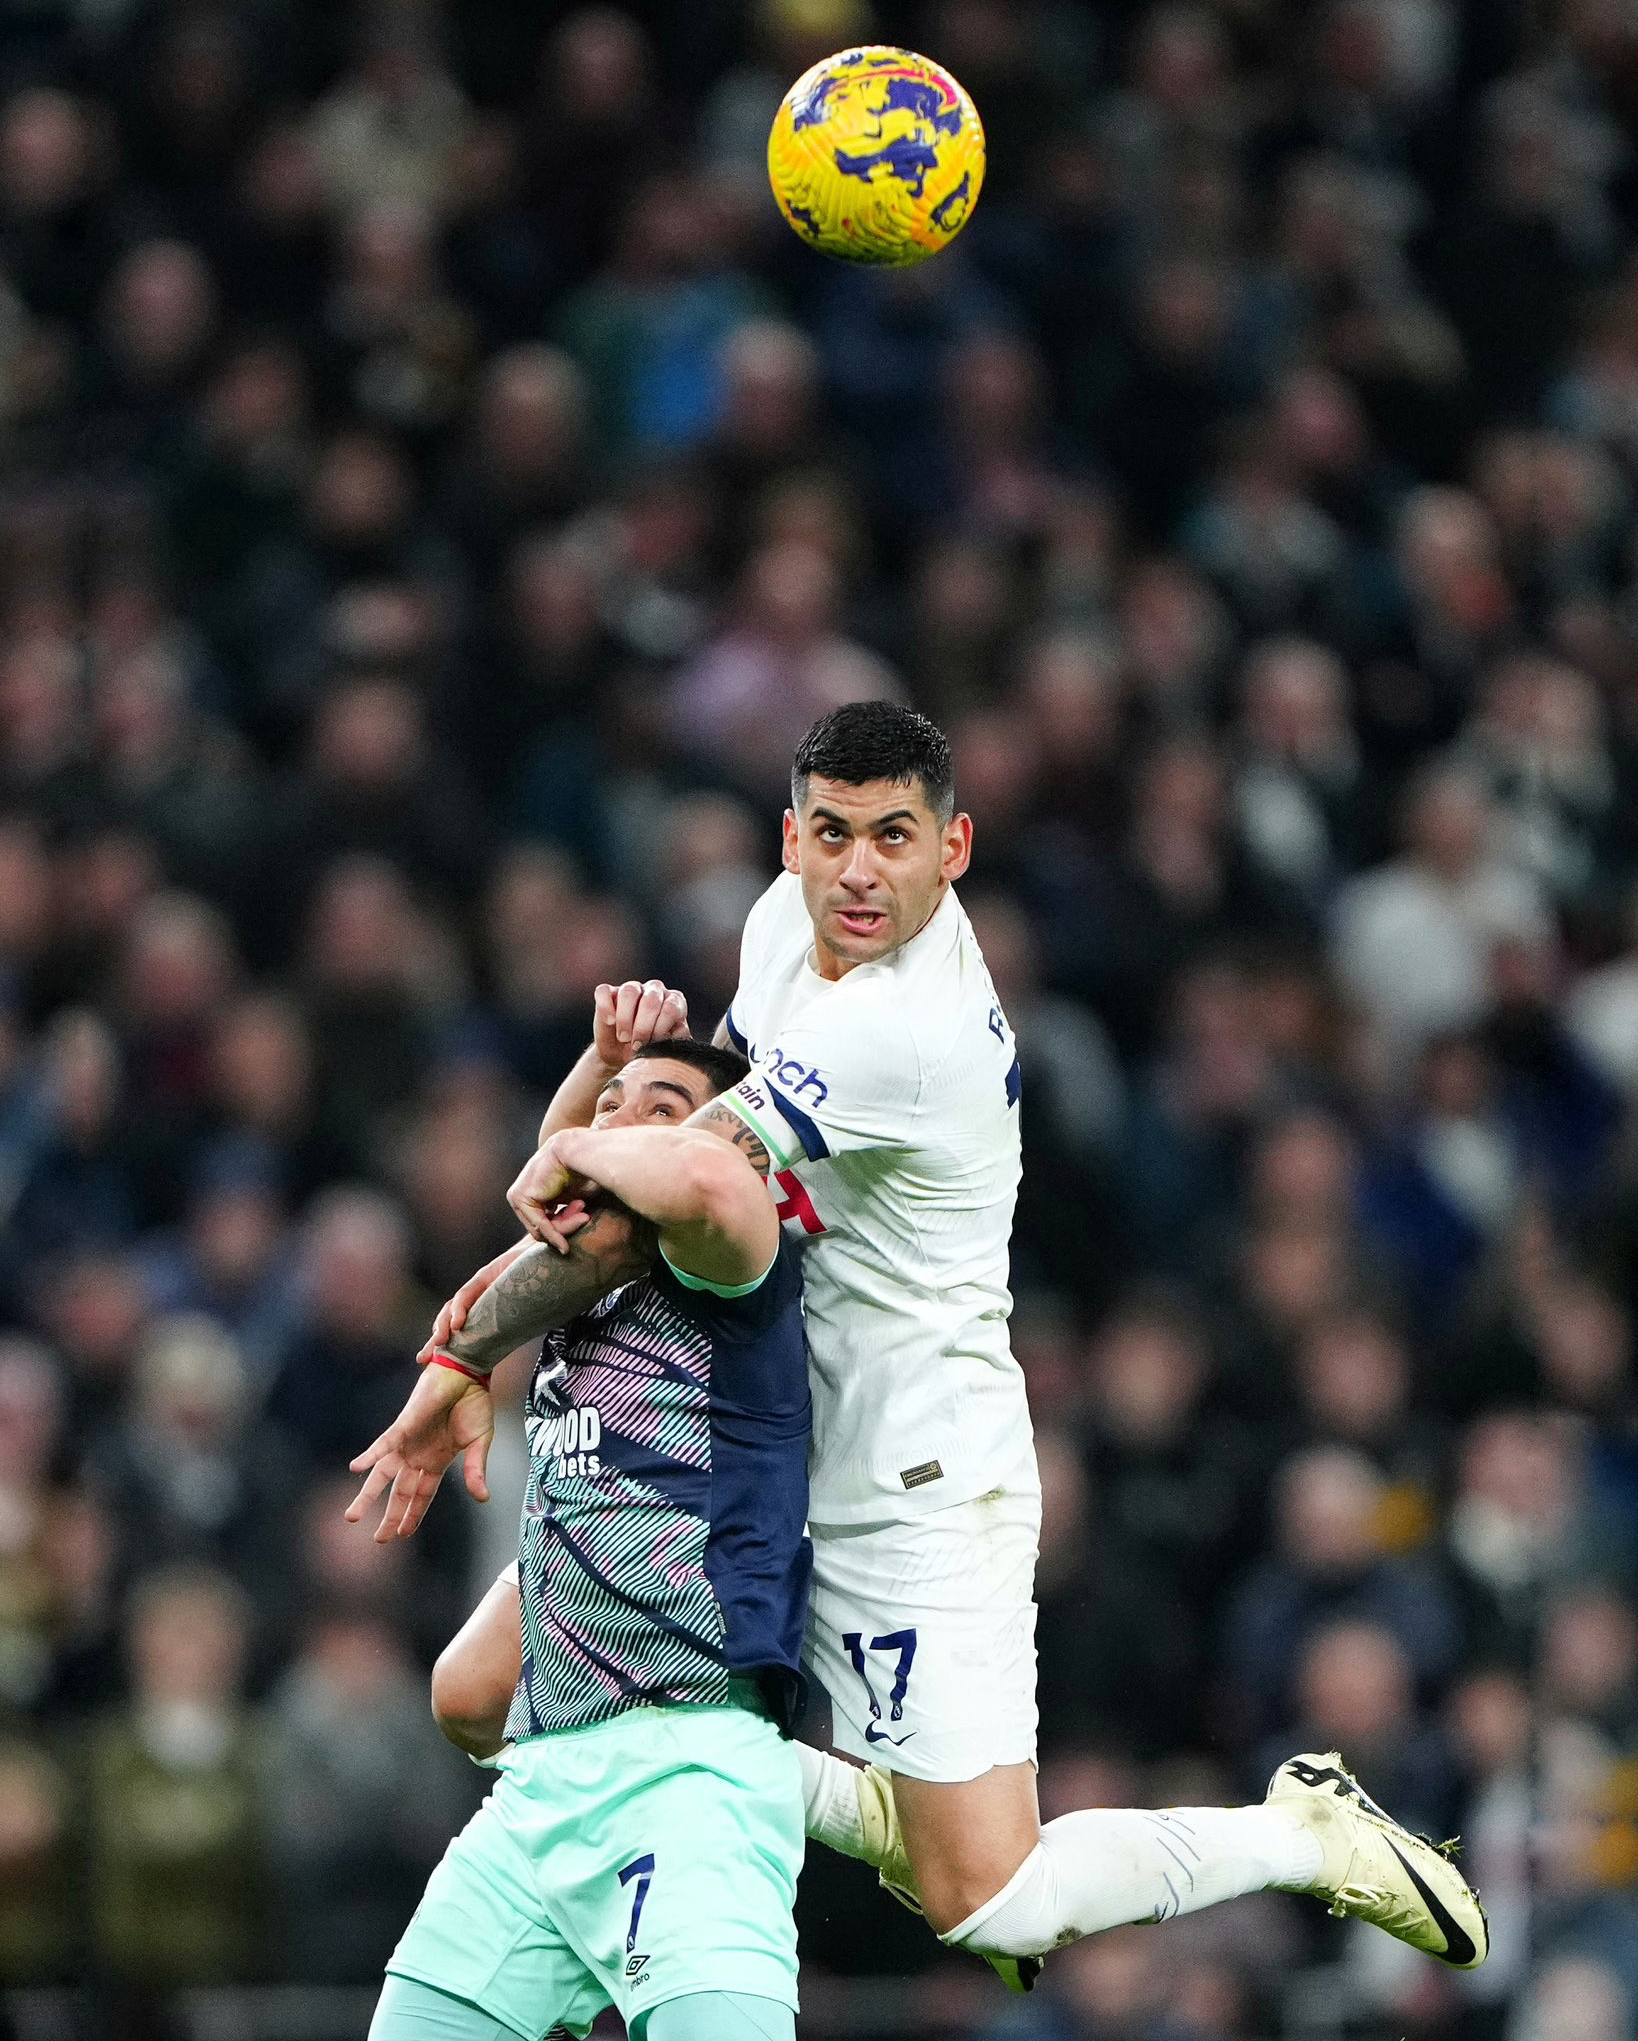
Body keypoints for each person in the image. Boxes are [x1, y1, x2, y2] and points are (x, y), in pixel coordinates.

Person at [406, 703, 1488, 1985]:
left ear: (954, 846)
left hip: (911, 1480)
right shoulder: (776, 931)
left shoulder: (911, 1032)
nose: (861, 870)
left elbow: (676, 1195)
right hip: (758, 1435)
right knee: (478, 1691)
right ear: (791, 840)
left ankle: (1299, 1833)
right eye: (835, 834)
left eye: (896, 837)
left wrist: (476, 1322)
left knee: (991, 1902)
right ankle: (896, 1816)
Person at [348, 1038, 812, 2041]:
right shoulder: (584, 1293)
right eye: (611, 1103)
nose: (621, 1122)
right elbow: (473, 1697)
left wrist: (568, 1140)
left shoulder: (737, 1263)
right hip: (542, 1790)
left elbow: (690, 1173)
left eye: (665, 1101)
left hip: (690, 1773)